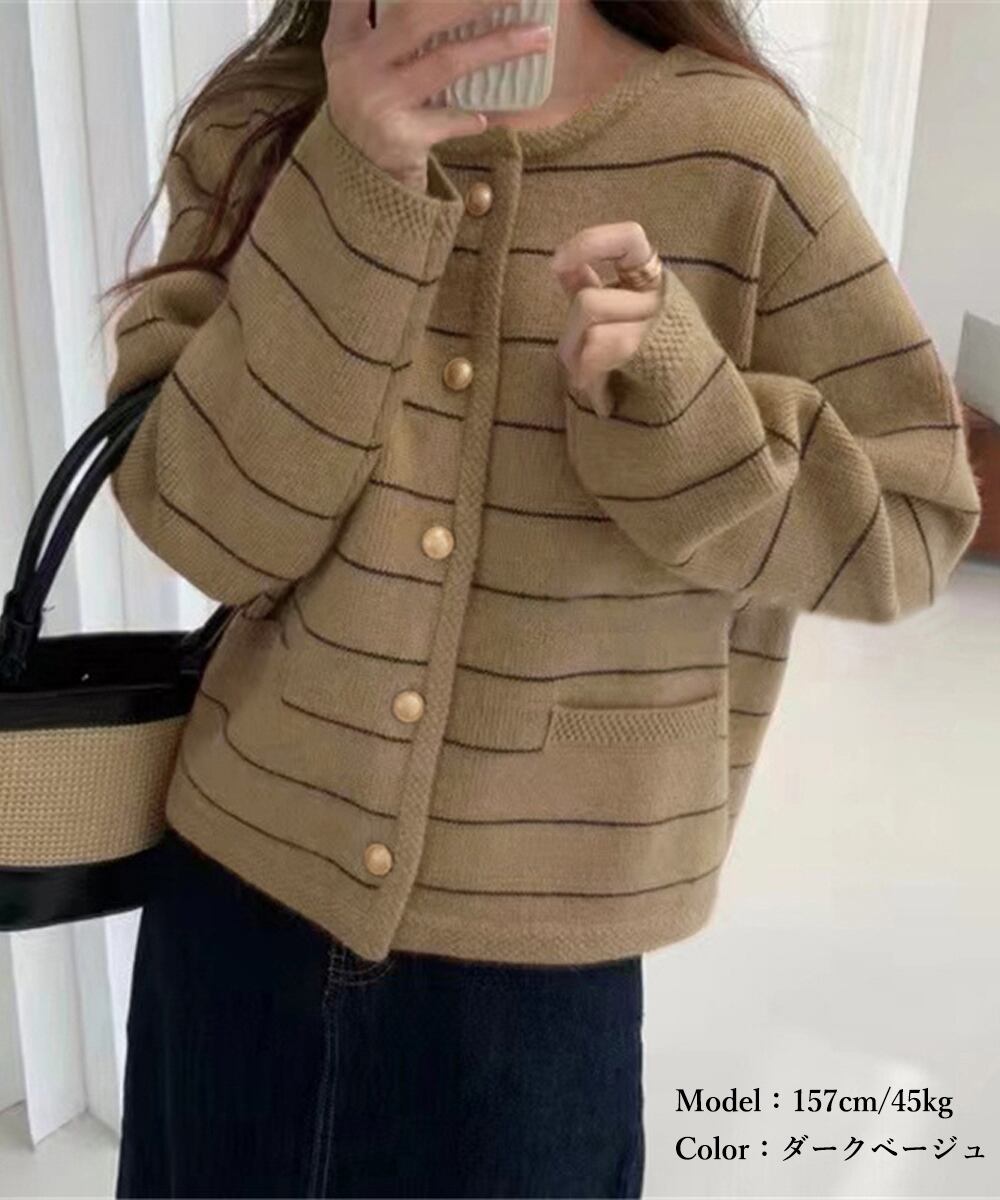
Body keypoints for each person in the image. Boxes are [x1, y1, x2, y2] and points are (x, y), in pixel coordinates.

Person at [104, 1, 982, 1196]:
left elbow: (917, 522)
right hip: (231, 920)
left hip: (533, 986)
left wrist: (687, 419)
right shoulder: (263, 123)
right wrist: (353, 179)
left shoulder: (738, 154)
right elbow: (208, 529)